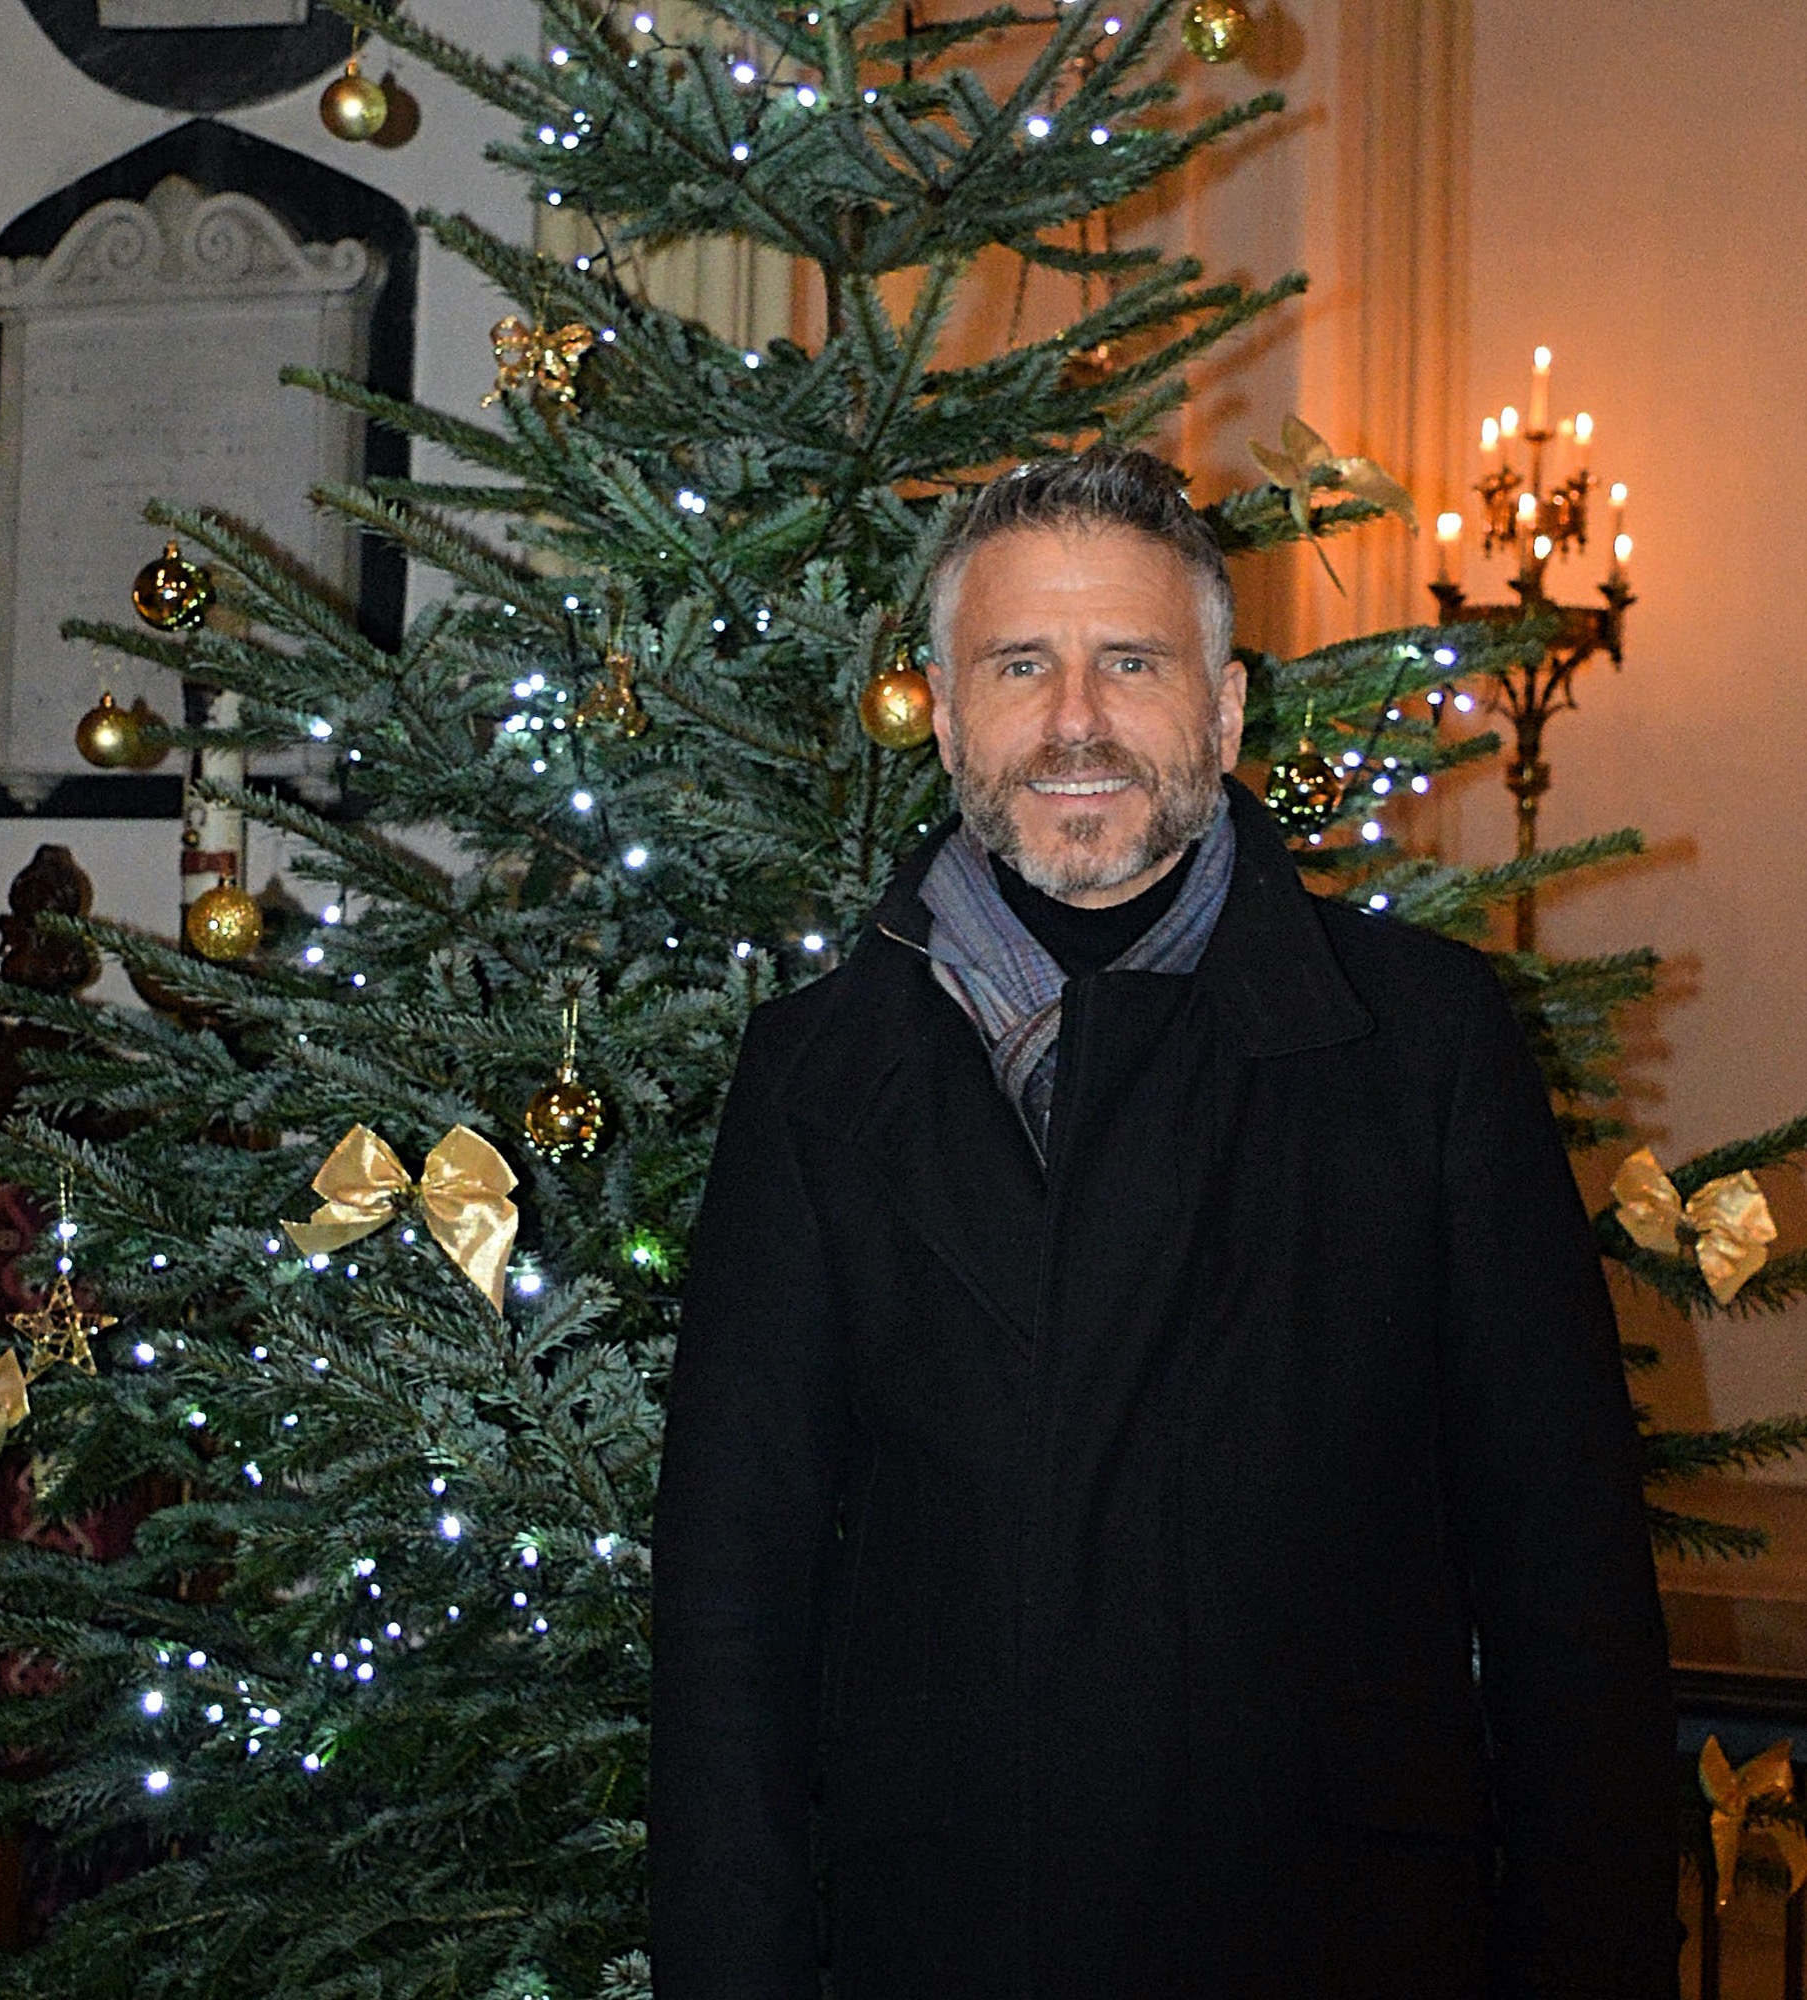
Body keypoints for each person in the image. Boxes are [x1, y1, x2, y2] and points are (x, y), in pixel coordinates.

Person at [650, 448, 1677, 2000]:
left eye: (1129, 662)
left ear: (1223, 710)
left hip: (1337, 1933)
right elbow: (732, 1604)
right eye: (1019, 665)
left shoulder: (1420, 1045)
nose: (1075, 720)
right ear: (946, 716)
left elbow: (1567, 1586)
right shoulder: (814, 1074)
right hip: (952, 1935)